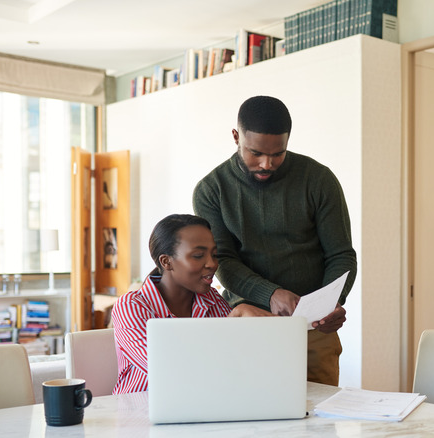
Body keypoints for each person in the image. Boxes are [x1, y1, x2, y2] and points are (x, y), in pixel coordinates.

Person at [192, 95, 357, 386]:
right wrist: (270, 293)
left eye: (277, 154)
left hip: (314, 328)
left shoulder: (318, 180)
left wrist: (333, 302)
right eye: (254, 153)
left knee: (320, 422)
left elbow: (341, 255)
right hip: (248, 324)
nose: (266, 164)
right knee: (251, 417)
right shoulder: (211, 190)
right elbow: (224, 262)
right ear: (235, 137)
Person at [111, 214, 268, 394]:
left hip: (201, 405)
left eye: (214, 255)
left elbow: (240, 361)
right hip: (137, 413)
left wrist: (256, 327)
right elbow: (169, 370)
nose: (212, 264)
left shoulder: (213, 300)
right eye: (198, 255)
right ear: (166, 261)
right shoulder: (132, 306)